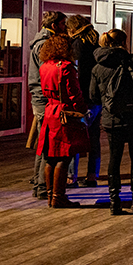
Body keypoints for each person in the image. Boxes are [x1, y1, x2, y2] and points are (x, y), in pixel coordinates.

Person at [90, 29, 133, 215]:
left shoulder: (98, 67)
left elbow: (93, 96)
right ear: (123, 42)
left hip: (112, 118)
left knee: (114, 158)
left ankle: (115, 202)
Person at [36, 33, 88, 208]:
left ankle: (51, 196)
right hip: (64, 112)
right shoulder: (66, 67)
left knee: (50, 156)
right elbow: (74, 93)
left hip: (50, 110)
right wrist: (82, 110)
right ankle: (59, 197)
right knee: (64, 156)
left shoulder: (44, 66)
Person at [28, 11, 67, 199]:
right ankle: (43, 186)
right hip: (45, 100)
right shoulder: (45, 45)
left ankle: (40, 185)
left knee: (44, 144)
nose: (65, 28)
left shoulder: (39, 42)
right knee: (48, 146)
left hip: (41, 98)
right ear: (54, 25)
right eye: (63, 24)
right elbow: (49, 74)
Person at [66, 15, 101, 188]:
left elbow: (76, 73)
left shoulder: (77, 45)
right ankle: (92, 175)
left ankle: (71, 176)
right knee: (94, 137)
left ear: (73, 29)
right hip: (97, 97)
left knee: (76, 137)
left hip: (83, 97)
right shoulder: (96, 44)